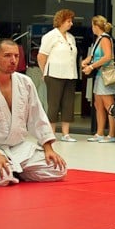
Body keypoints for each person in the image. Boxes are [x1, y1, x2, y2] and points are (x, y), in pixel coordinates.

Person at [0, 39, 67, 186]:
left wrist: (48, 147)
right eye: (7, 56)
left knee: (57, 169)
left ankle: (16, 169)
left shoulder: (25, 82)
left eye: (16, 56)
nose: (13, 60)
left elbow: (38, 115)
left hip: (18, 147)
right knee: (1, 178)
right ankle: (8, 169)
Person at [37, 9, 79, 142]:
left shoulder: (71, 38)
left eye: (71, 21)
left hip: (70, 75)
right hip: (54, 74)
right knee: (54, 104)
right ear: (61, 21)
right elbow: (41, 56)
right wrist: (44, 72)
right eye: (68, 21)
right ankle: (51, 133)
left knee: (68, 104)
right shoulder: (50, 36)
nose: (71, 23)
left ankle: (66, 134)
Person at [81, 15, 115, 143]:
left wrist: (91, 66)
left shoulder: (105, 39)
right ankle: (100, 132)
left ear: (96, 26)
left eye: (92, 25)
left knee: (109, 105)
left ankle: (112, 134)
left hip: (105, 75)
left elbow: (107, 57)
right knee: (98, 104)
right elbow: (93, 55)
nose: (91, 28)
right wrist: (86, 62)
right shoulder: (98, 39)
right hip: (99, 75)